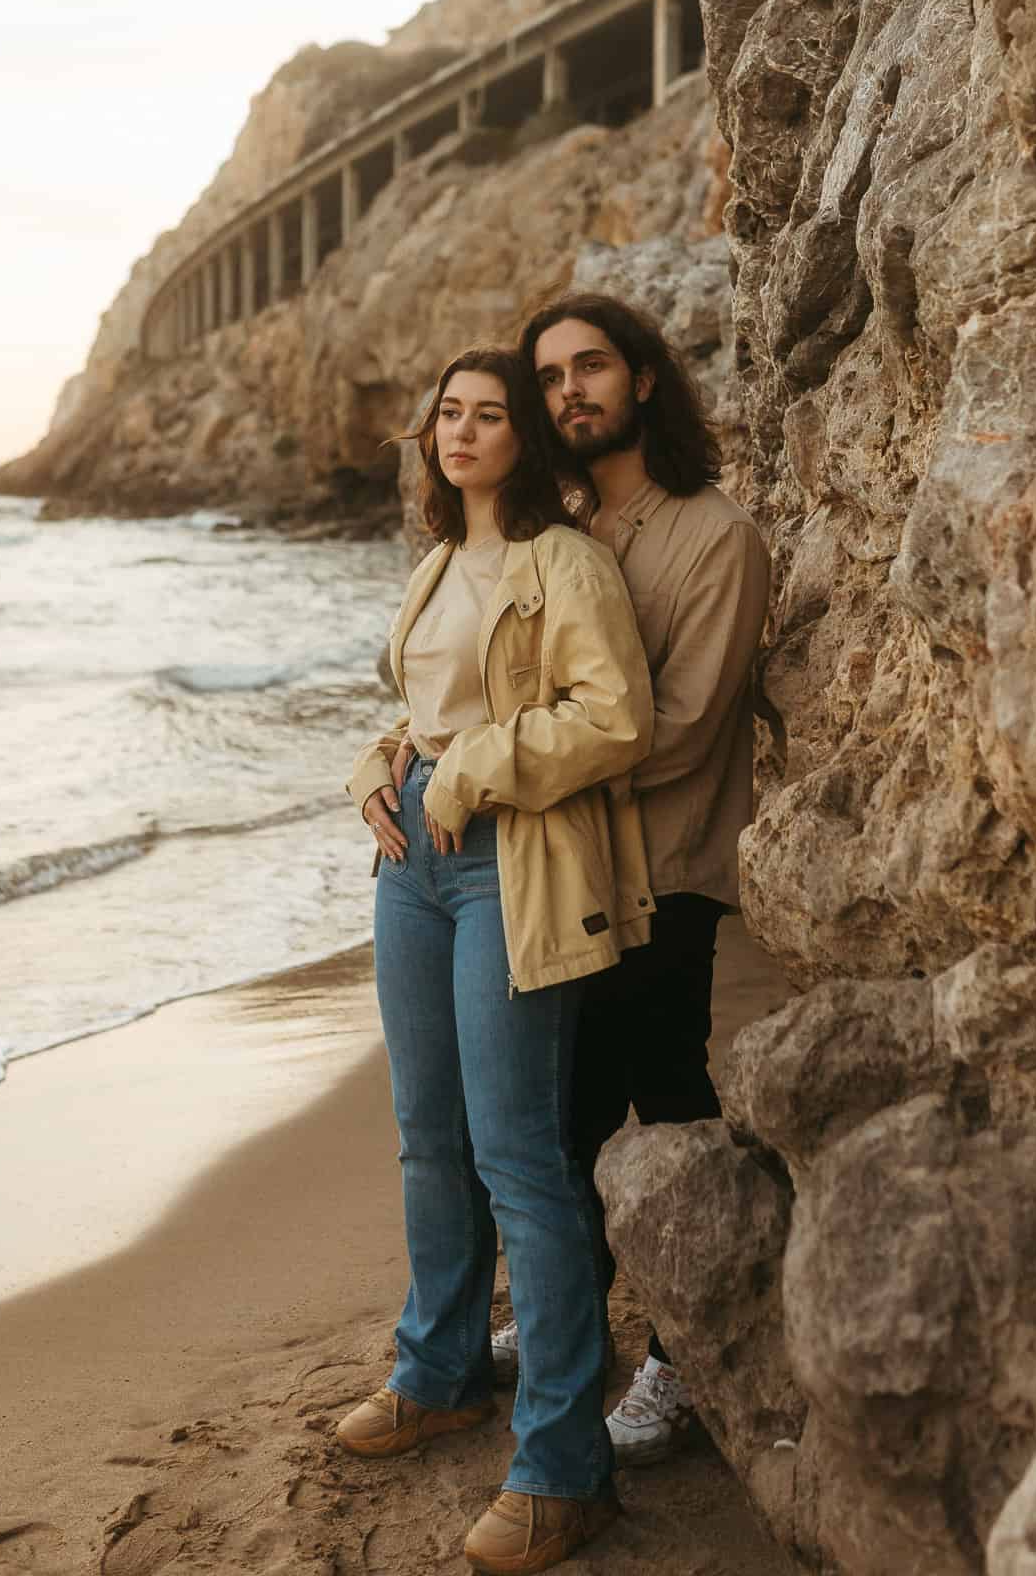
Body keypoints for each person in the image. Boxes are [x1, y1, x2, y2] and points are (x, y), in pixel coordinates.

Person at [336, 344, 657, 1575]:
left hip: (509, 866)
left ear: (526, 434)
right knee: (426, 1133)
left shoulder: (562, 560)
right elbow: (419, 715)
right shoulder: (433, 565)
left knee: (517, 1152)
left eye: (486, 414)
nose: (460, 431)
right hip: (411, 863)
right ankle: (442, 1371)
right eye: (446, 414)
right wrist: (382, 771)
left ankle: (565, 1468)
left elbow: (613, 713)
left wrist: (464, 768)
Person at [488, 292, 770, 1469]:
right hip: (568, 873)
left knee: (670, 1100)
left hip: (667, 868)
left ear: (644, 379)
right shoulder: (553, 537)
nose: (570, 394)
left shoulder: (715, 533)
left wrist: (520, 761)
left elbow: (689, 725)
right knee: (572, 1109)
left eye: (591, 367)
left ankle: (684, 1357)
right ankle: (571, 1315)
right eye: (549, 378)